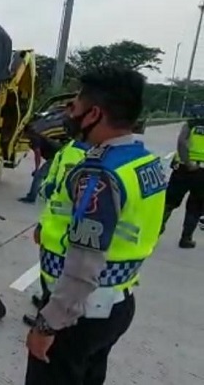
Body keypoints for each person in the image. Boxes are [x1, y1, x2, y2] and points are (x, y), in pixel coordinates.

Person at [25, 68, 166, 385]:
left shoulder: (99, 175)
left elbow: (83, 266)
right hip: (117, 305)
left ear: (94, 114)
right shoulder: (144, 162)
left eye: (74, 108)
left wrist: (48, 325)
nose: (69, 116)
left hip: (78, 313)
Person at [23, 136, 90, 327]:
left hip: (63, 237)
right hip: (55, 230)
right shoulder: (71, 147)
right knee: (50, 279)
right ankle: (46, 306)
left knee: (54, 281)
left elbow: (60, 191)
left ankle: (45, 321)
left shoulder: (81, 154)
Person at [159, 111, 204, 248]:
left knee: (169, 202)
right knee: (195, 207)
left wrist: (186, 161)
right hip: (202, 171)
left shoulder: (192, 124)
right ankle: (186, 238)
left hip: (183, 168)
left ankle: (156, 229)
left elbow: (181, 142)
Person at [19, 129, 63, 204]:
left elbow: (37, 154)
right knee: (51, 176)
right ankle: (49, 194)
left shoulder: (34, 139)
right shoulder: (37, 136)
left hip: (57, 156)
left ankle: (31, 197)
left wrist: (37, 169)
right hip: (59, 154)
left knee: (38, 176)